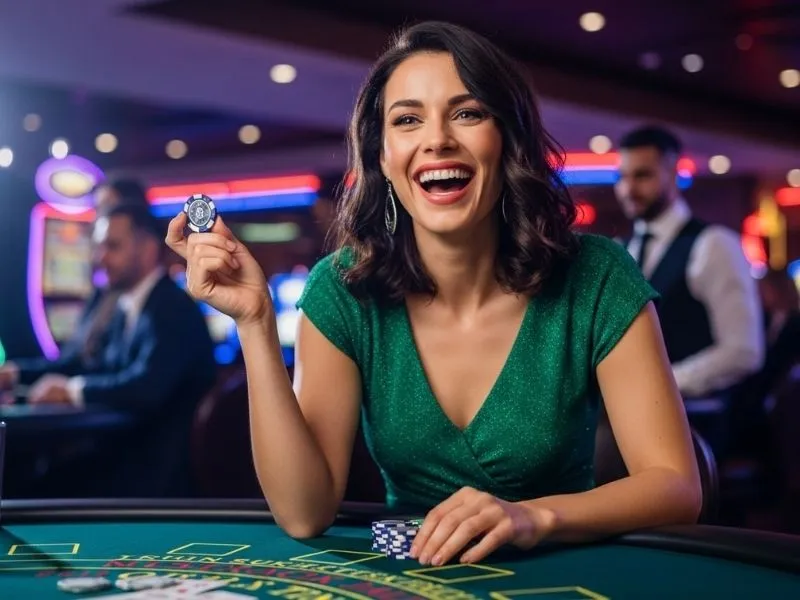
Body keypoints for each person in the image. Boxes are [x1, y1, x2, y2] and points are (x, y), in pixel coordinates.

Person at [167, 21, 701, 564]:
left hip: (565, 568)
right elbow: (305, 513)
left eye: (467, 113)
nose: (437, 139)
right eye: (407, 120)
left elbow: (677, 486)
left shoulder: (596, 275)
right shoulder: (344, 289)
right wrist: (254, 322)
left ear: (508, 139)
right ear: (383, 156)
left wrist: (535, 517)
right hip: (413, 577)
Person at [23, 204, 216, 495]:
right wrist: (18, 374)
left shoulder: (172, 308)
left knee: (36, 484)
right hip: (125, 458)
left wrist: (72, 390)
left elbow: (145, 388)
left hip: (158, 475)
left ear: (148, 249)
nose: (100, 257)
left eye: (112, 246)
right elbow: (90, 366)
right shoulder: (124, 306)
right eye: (99, 247)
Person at [614, 126, 763, 456]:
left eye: (642, 176)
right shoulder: (619, 250)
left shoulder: (714, 244)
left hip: (698, 425)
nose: (628, 189)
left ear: (674, 173)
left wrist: (664, 384)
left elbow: (743, 351)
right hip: (631, 423)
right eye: (622, 177)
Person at [0, 177, 152, 392]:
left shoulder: (154, 301)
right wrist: (17, 373)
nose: (98, 219)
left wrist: (73, 392)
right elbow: (77, 361)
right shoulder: (112, 294)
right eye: (97, 210)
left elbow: (140, 385)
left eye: (107, 209)